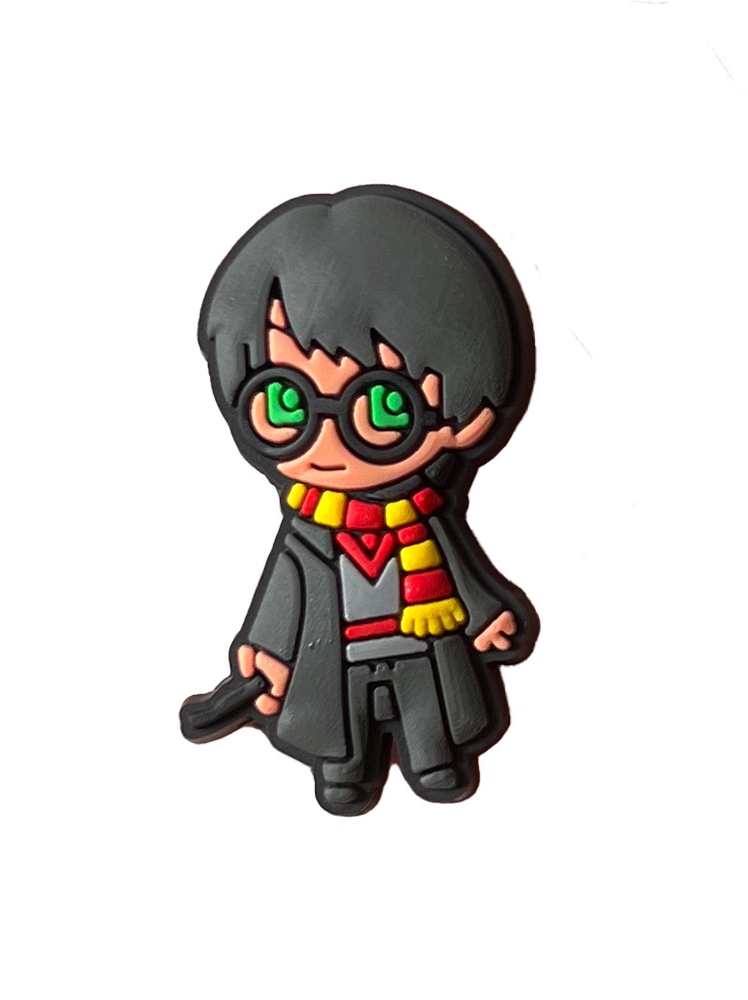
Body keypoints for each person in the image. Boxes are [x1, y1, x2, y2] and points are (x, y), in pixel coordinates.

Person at [188, 184, 538, 815]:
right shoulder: (310, 532)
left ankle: (434, 762)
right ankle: (345, 773)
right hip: (336, 660)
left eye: (381, 406)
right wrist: (267, 653)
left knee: (428, 714)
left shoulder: (424, 522)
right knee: (341, 728)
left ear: (465, 419)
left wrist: (486, 617)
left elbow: (462, 575)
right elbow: (287, 593)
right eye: (286, 403)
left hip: (419, 651)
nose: (326, 442)